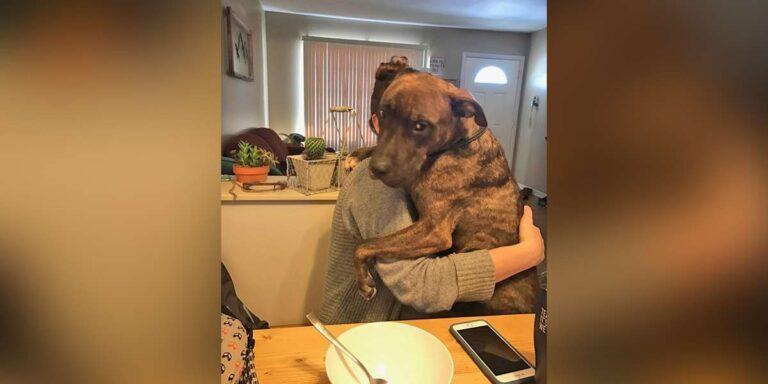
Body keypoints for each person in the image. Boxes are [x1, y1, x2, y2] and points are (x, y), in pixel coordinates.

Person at [318, 114, 545, 324]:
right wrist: (526, 254)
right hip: (363, 330)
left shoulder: (434, 167)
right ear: (378, 124)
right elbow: (419, 284)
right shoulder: (376, 180)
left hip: (420, 321)